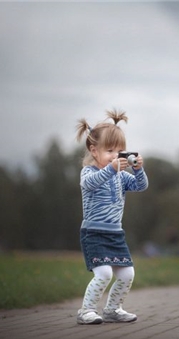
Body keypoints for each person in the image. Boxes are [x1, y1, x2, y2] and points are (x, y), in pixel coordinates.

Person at [75, 109, 148, 324]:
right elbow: (90, 184)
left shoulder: (121, 176)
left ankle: (112, 309)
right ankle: (86, 310)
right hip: (94, 233)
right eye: (110, 151)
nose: (116, 156)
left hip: (116, 234)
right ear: (93, 150)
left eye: (120, 151)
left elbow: (141, 186)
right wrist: (112, 169)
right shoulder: (88, 172)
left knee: (127, 274)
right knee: (104, 273)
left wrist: (138, 170)